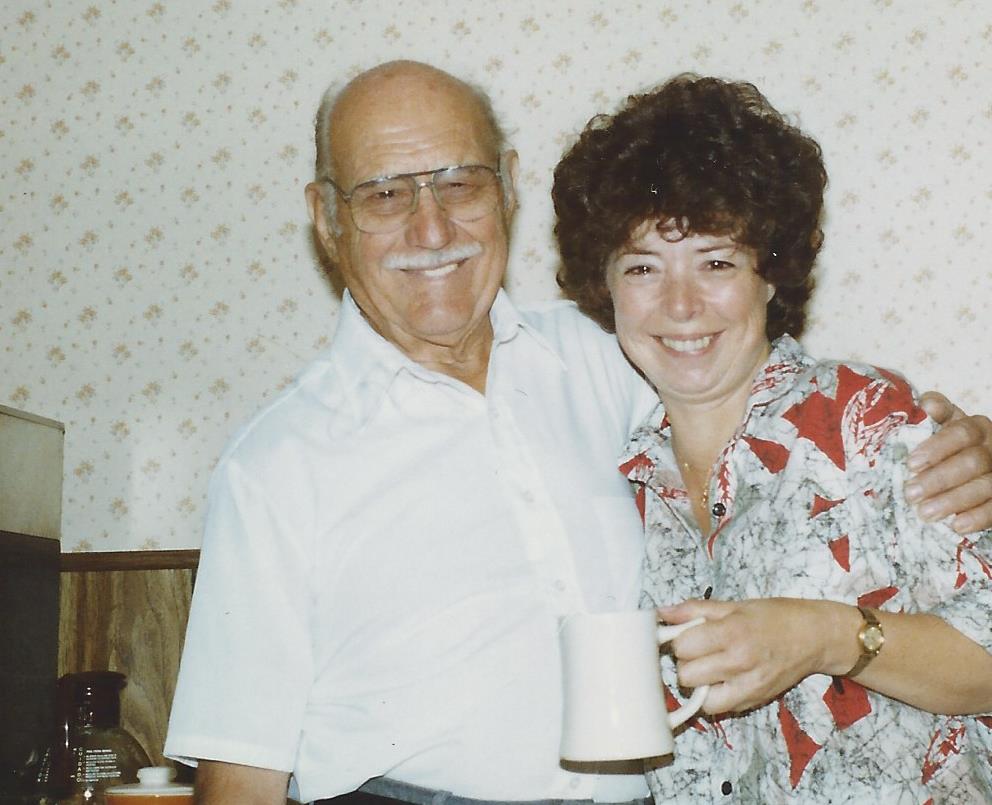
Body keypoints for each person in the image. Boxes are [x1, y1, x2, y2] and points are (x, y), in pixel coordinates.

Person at [164, 61, 992, 805]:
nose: (431, 229)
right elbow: (239, 776)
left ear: (506, 188)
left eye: (459, 183)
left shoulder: (610, 363)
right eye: (385, 193)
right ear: (326, 217)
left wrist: (967, 444)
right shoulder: (276, 465)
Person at [553, 73, 992, 802]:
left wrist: (824, 635)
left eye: (716, 262)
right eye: (643, 267)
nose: (680, 304)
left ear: (771, 274)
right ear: (605, 286)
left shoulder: (863, 421)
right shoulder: (628, 481)